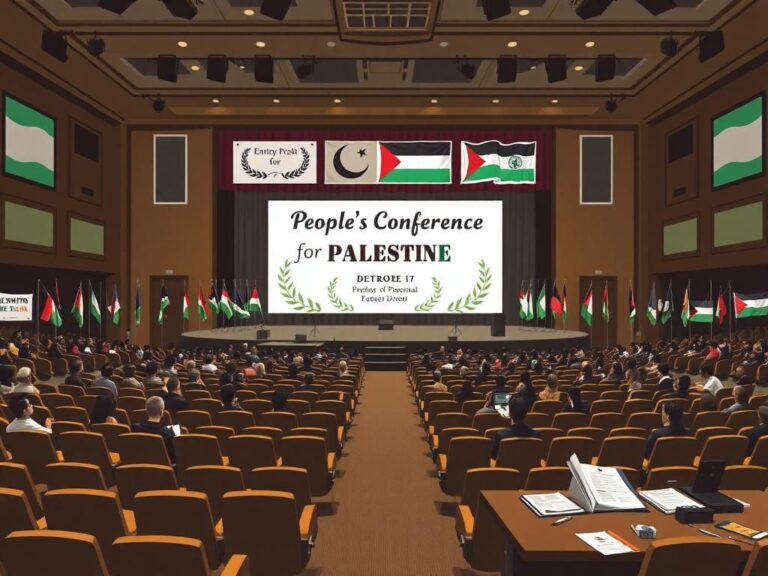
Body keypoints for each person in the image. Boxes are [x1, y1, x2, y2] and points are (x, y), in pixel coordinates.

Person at [131, 396, 175, 463]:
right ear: (161, 412)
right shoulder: (168, 433)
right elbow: (173, 458)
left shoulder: (135, 428)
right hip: (161, 469)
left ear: (147, 410)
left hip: (140, 464)